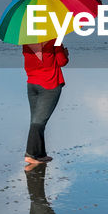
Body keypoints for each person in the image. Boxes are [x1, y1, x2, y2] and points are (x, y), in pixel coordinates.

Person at [22, 39, 68, 172]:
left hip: (32, 84)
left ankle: (40, 153)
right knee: (38, 121)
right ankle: (30, 154)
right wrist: (65, 53)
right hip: (50, 85)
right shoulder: (54, 40)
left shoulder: (26, 42)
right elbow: (61, 62)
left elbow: (30, 63)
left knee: (37, 119)